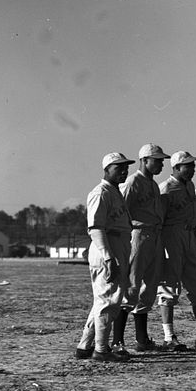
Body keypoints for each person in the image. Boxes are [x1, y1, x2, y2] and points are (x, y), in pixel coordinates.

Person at [75, 152, 135, 362]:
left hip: (117, 245)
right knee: (108, 300)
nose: (124, 171)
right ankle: (101, 350)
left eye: (125, 167)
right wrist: (109, 258)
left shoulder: (114, 191)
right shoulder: (100, 192)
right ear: (106, 169)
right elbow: (96, 228)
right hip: (107, 247)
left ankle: (85, 346)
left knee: (103, 299)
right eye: (118, 167)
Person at [157, 151, 196, 351]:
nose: (192, 169)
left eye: (192, 165)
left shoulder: (190, 186)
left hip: (190, 236)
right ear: (176, 167)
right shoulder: (165, 188)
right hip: (171, 237)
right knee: (169, 288)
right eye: (187, 166)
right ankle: (168, 336)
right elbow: (159, 220)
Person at [113, 143, 169, 354]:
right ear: (145, 160)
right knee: (132, 286)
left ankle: (142, 338)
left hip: (154, 235)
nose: (162, 164)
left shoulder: (154, 185)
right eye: (158, 160)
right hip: (138, 234)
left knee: (150, 287)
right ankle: (118, 342)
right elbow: (121, 213)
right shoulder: (132, 182)